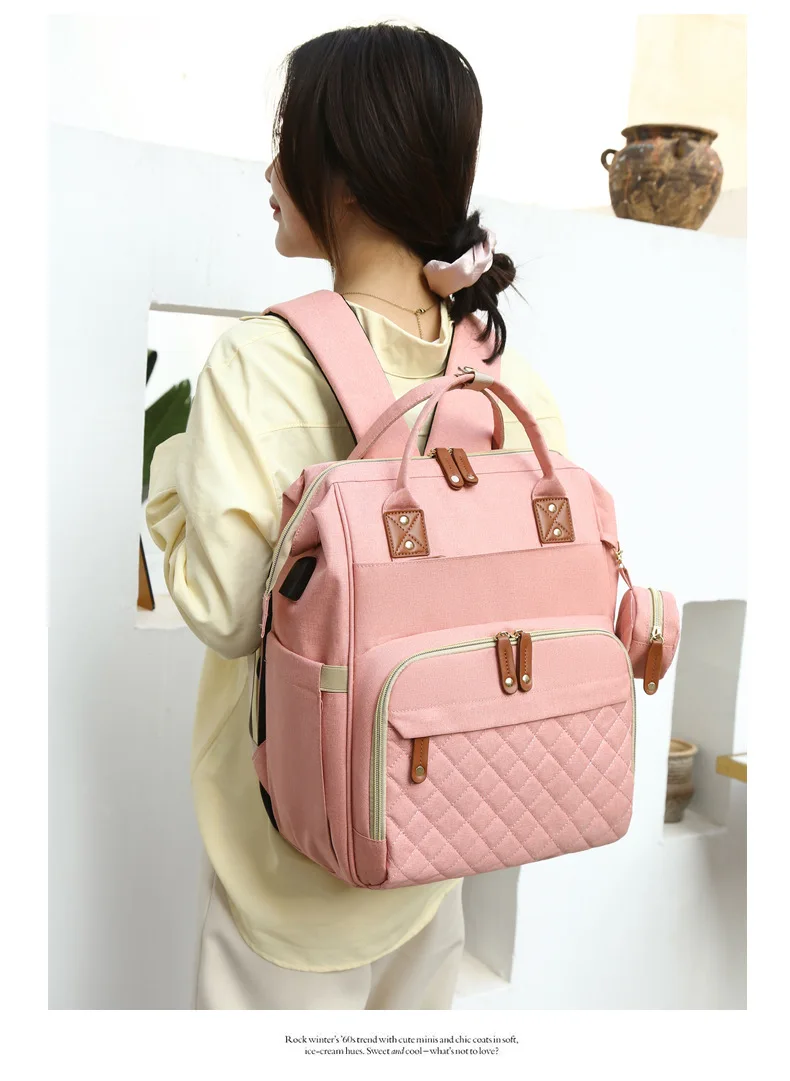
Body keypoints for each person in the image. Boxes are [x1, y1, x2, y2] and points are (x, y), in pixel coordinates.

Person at [146, 22, 568, 1011]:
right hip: (442, 837)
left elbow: (226, 613)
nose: (269, 169)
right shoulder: (505, 375)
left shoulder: (264, 361)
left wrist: (172, 477)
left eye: (285, 137)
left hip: (291, 866)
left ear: (345, 177)